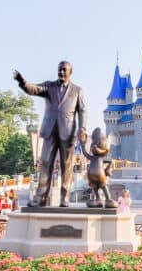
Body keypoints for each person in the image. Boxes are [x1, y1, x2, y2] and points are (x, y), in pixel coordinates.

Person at [14, 61, 86, 207]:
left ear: (70, 72)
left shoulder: (77, 90)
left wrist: (82, 128)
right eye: (59, 70)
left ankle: (64, 198)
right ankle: (40, 197)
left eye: (64, 70)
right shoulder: (49, 86)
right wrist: (23, 82)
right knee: (45, 163)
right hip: (50, 131)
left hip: (68, 132)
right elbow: (33, 89)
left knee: (67, 166)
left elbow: (82, 110)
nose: (61, 72)